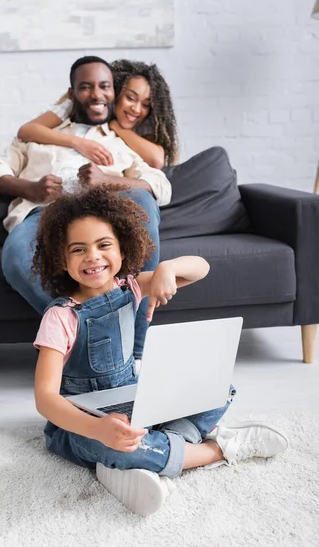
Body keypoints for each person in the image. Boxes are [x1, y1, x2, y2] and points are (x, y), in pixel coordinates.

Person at [33, 185, 289, 517]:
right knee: (115, 447)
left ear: (123, 249)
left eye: (103, 245)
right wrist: (98, 429)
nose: (93, 256)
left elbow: (201, 268)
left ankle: (150, 456)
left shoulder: (133, 286)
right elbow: (45, 398)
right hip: (81, 424)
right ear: (60, 259)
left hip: (136, 402)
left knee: (219, 388)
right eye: (78, 249)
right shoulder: (61, 317)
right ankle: (217, 451)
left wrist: (168, 268)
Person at [0, 55, 171, 359]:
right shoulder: (37, 140)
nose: (96, 94)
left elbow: (160, 184)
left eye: (104, 87)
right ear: (72, 93)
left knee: (143, 200)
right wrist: (31, 188)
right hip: (43, 213)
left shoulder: (119, 142)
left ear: (112, 92)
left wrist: (107, 180)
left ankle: (135, 352)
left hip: (102, 216)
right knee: (15, 257)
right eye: (86, 87)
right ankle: (87, 331)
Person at [17, 59, 178, 169]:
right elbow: (27, 130)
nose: (136, 109)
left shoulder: (146, 122)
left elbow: (156, 160)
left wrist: (118, 128)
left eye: (145, 104)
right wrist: (78, 143)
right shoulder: (79, 105)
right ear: (115, 91)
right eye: (130, 98)